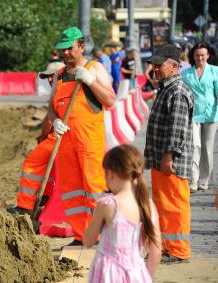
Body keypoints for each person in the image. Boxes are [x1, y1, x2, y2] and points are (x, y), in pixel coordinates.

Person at [48, 26, 115, 244]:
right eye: (63, 50)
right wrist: (55, 120)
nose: (66, 53)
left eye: (70, 49)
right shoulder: (59, 75)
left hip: (89, 141)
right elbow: (50, 107)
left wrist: (90, 81)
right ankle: (81, 233)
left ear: (81, 47)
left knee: (94, 188)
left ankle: (102, 235)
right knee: (71, 191)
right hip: (66, 141)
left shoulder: (95, 68)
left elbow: (110, 100)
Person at [144, 44, 194, 263]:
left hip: (171, 163)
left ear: (174, 66)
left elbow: (177, 128)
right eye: (153, 64)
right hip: (161, 161)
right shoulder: (167, 88)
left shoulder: (177, 90)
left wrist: (168, 156)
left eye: (159, 64)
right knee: (164, 205)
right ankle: (167, 246)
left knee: (174, 205)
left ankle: (178, 250)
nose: (154, 68)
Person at [83, 144, 162, 282]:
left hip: (108, 275)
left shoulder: (108, 204)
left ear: (110, 173)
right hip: (137, 273)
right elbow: (156, 251)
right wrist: (145, 277)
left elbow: (88, 241)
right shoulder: (148, 205)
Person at [10, 61, 65, 213]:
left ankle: (24, 206)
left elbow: (49, 119)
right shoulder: (67, 88)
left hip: (59, 137)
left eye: (51, 76)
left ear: (59, 75)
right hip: (68, 136)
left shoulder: (59, 91)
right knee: (51, 166)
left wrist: (43, 136)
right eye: (46, 77)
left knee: (31, 164)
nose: (48, 80)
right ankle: (46, 196)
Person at [182, 42, 218, 193]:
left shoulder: (216, 71)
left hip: (211, 114)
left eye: (203, 55)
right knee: (195, 147)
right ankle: (194, 180)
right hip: (193, 115)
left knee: (207, 149)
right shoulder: (186, 74)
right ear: (193, 56)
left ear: (208, 56)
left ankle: (204, 180)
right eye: (197, 55)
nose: (200, 58)